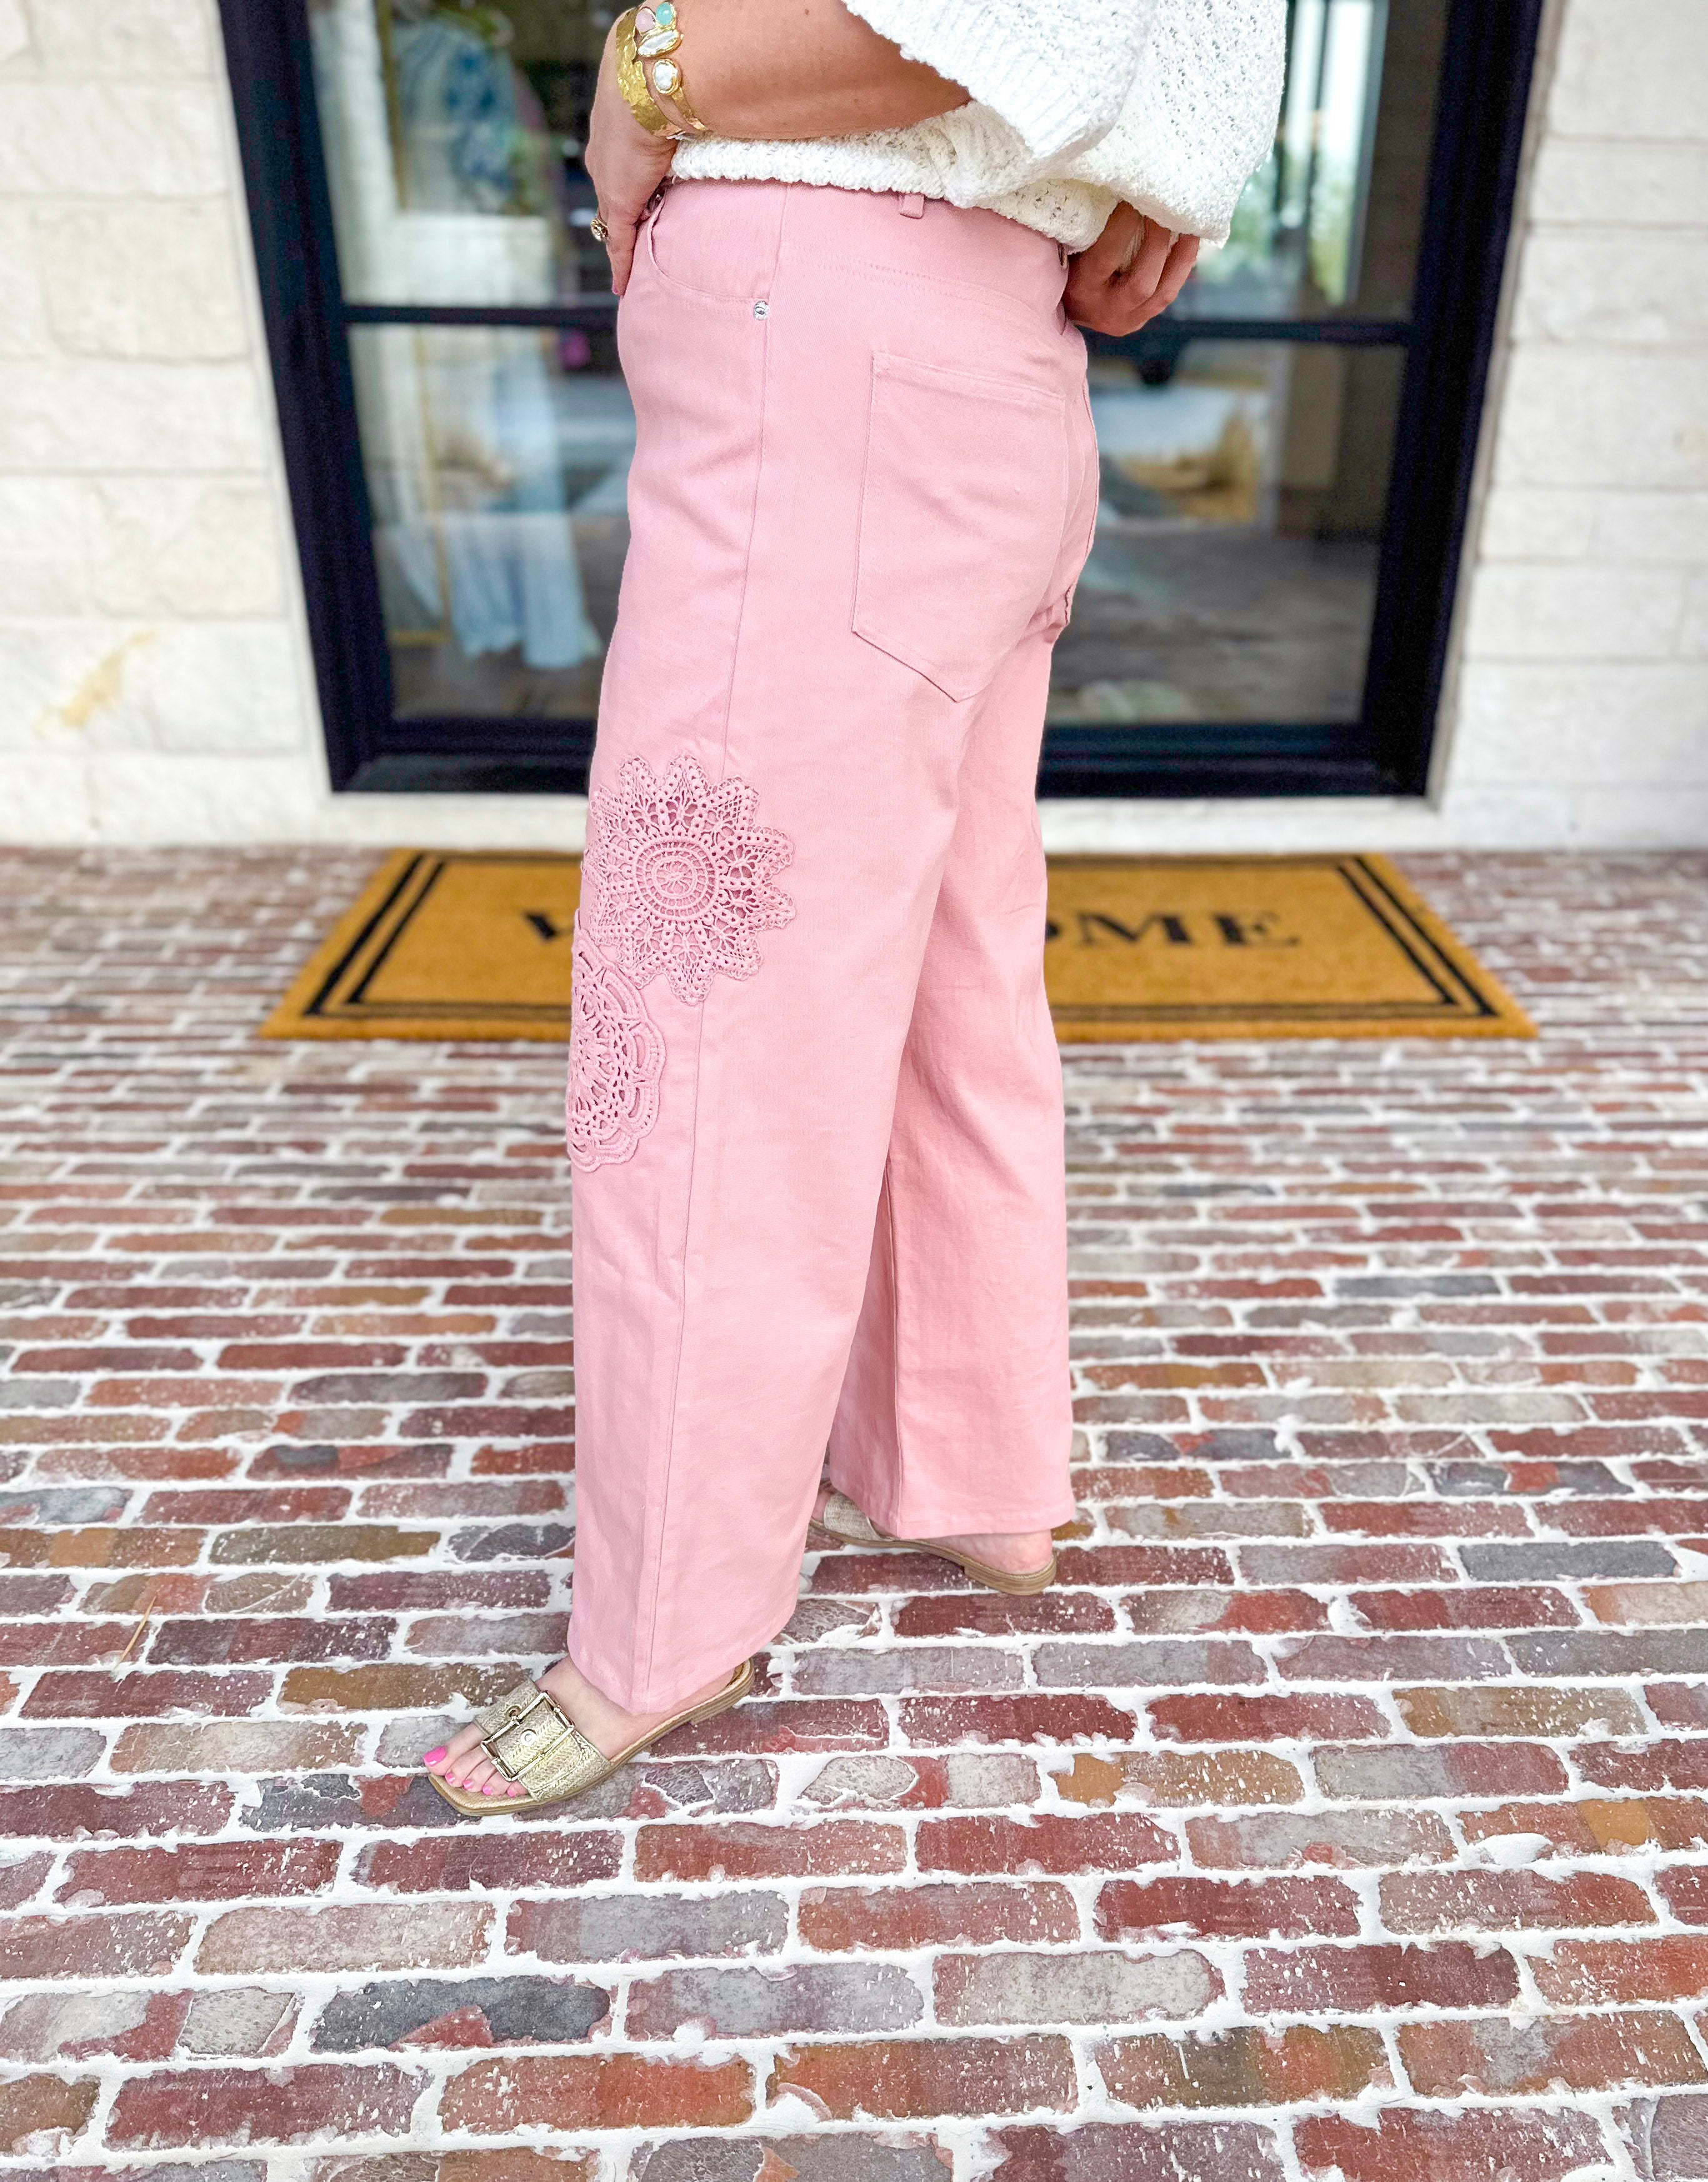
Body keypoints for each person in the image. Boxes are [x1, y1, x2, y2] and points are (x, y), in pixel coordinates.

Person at [424, 0, 1284, 1813]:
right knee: (954, 970)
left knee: (703, 1023)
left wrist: (649, 71)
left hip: (823, 365)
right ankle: (969, 1462)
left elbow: (1006, 20)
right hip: (978, 358)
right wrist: (1161, 166)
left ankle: (669, 1624)